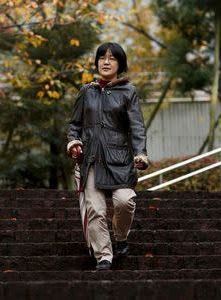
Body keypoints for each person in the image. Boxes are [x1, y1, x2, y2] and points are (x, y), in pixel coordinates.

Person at [67, 42, 148, 271]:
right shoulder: (86, 91)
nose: (105, 61)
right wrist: (74, 143)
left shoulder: (128, 92)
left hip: (120, 160)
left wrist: (140, 153)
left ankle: (120, 237)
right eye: (102, 57)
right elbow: (74, 125)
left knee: (125, 201)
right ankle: (104, 255)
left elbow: (137, 127)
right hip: (90, 160)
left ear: (120, 64)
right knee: (95, 209)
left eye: (112, 58)